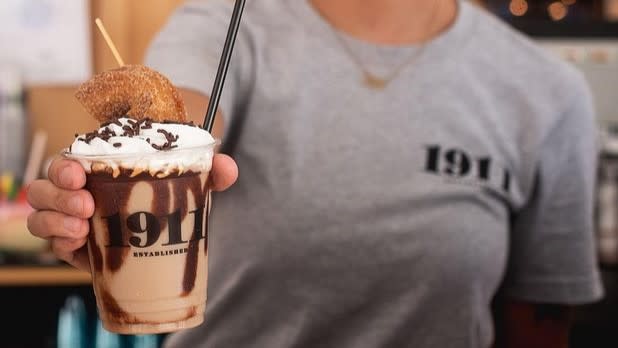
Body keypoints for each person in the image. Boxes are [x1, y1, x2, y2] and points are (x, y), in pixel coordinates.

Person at [27, 0, 603, 347]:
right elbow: (185, 110)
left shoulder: (547, 93)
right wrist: (119, 181)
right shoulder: (229, 21)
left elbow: (540, 326)